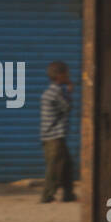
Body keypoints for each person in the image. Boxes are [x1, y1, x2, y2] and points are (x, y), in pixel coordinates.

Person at [39, 61, 76, 203]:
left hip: (51, 136)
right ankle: (47, 196)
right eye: (66, 73)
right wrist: (70, 92)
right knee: (54, 168)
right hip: (54, 137)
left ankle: (68, 195)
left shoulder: (50, 91)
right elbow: (67, 107)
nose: (69, 76)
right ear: (60, 76)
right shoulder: (57, 92)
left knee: (67, 165)